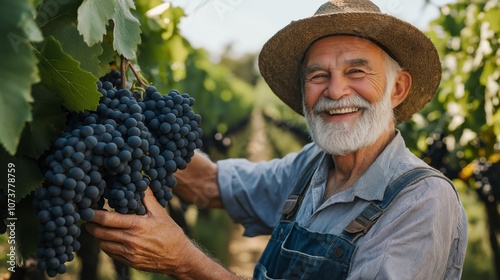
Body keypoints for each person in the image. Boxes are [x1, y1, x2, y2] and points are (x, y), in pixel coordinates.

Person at [86, 0, 468, 279]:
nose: (335, 91)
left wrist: (186, 261)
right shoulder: (312, 167)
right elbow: (208, 183)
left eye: (356, 71)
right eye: (318, 76)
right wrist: (127, 125)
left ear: (397, 88)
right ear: (303, 92)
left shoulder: (422, 202)